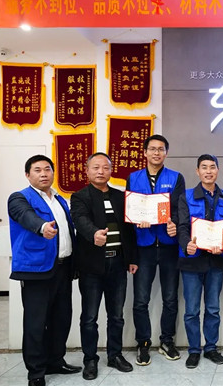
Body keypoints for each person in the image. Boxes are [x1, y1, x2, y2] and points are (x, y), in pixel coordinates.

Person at [8, 155, 82, 386]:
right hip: (36, 270)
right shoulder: (20, 197)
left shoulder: (59, 199)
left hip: (63, 268)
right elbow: (25, 216)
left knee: (61, 318)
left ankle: (55, 361)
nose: (43, 174)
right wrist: (41, 227)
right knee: (36, 323)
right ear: (28, 175)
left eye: (47, 169)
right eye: (37, 170)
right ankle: (36, 372)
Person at [70, 152, 138, 380]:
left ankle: (115, 355)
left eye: (106, 167)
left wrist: (132, 258)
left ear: (111, 171)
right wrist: (93, 234)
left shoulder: (121, 196)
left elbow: (129, 231)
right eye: (96, 167)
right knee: (89, 317)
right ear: (87, 170)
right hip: (92, 266)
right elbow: (80, 220)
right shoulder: (79, 197)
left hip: (118, 264)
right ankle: (90, 359)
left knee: (116, 315)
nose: (101, 171)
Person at [126, 135, 185, 365]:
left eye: (161, 149)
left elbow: (179, 209)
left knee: (170, 298)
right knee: (141, 299)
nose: (156, 153)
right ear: (145, 152)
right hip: (144, 246)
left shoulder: (176, 177)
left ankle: (167, 341)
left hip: (169, 245)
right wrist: (137, 220)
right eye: (152, 149)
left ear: (166, 153)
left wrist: (174, 223)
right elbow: (130, 210)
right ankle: (143, 343)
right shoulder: (133, 178)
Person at [177, 154, 223, 369]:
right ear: (197, 171)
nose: (208, 171)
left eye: (212, 167)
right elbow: (182, 226)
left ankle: (211, 348)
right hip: (192, 261)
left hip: (216, 261)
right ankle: (194, 350)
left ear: (218, 170)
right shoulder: (186, 196)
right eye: (204, 167)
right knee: (192, 310)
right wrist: (186, 245)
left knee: (213, 308)